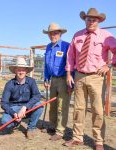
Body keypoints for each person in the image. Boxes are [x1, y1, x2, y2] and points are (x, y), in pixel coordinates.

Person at [64, 8, 116, 150]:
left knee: (97, 110)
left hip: (96, 77)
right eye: (89, 19)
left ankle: (98, 140)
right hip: (79, 75)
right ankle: (77, 137)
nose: (91, 22)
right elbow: (70, 56)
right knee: (78, 108)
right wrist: (69, 74)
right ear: (84, 20)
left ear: (99, 21)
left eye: (94, 19)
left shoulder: (106, 36)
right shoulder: (77, 35)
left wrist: (109, 65)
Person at [0, 57, 43, 140]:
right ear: (15, 71)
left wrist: (25, 107)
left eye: (23, 70)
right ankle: (16, 122)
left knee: (39, 106)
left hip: (27, 108)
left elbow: (37, 95)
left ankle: (31, 128)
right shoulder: (9, 84)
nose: (21, 72)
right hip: (14, 108)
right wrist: (14, 113)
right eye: (19, 70)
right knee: (5, 122)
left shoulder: (31, 81)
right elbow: (3, 103)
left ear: (26, 71)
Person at [43, 23, 72, 141]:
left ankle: (60, 131)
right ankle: (52, 125)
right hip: (53, 80)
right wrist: (46, 78)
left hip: (64, 79)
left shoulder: (66, 46)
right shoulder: (48, 47)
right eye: (50, 33)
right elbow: (46, 65)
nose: (52, 35)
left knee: (62, 106)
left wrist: (71, 82)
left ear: (60, 34)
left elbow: (71, 64)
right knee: (52, 104)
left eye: (55, 33)